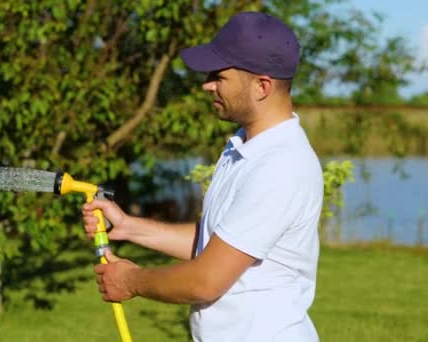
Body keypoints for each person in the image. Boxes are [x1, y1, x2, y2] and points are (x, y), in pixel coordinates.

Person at [82, 11, 323, 342]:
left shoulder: (281, 165)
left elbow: (206, 280)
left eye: (219, 77)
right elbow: (219, 241)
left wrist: (131, 280)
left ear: (262, 86)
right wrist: (129, 227)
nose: (206, 84)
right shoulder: (242, 146)